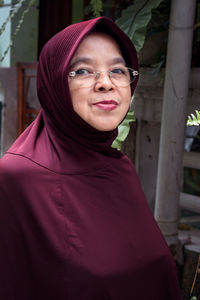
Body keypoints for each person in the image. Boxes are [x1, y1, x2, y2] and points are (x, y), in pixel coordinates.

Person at [0, 17, 182, 300]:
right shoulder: (17, 176)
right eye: (84, 71)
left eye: (118, 70)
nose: (106, 83)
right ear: (55, 81)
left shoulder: (118, 167)